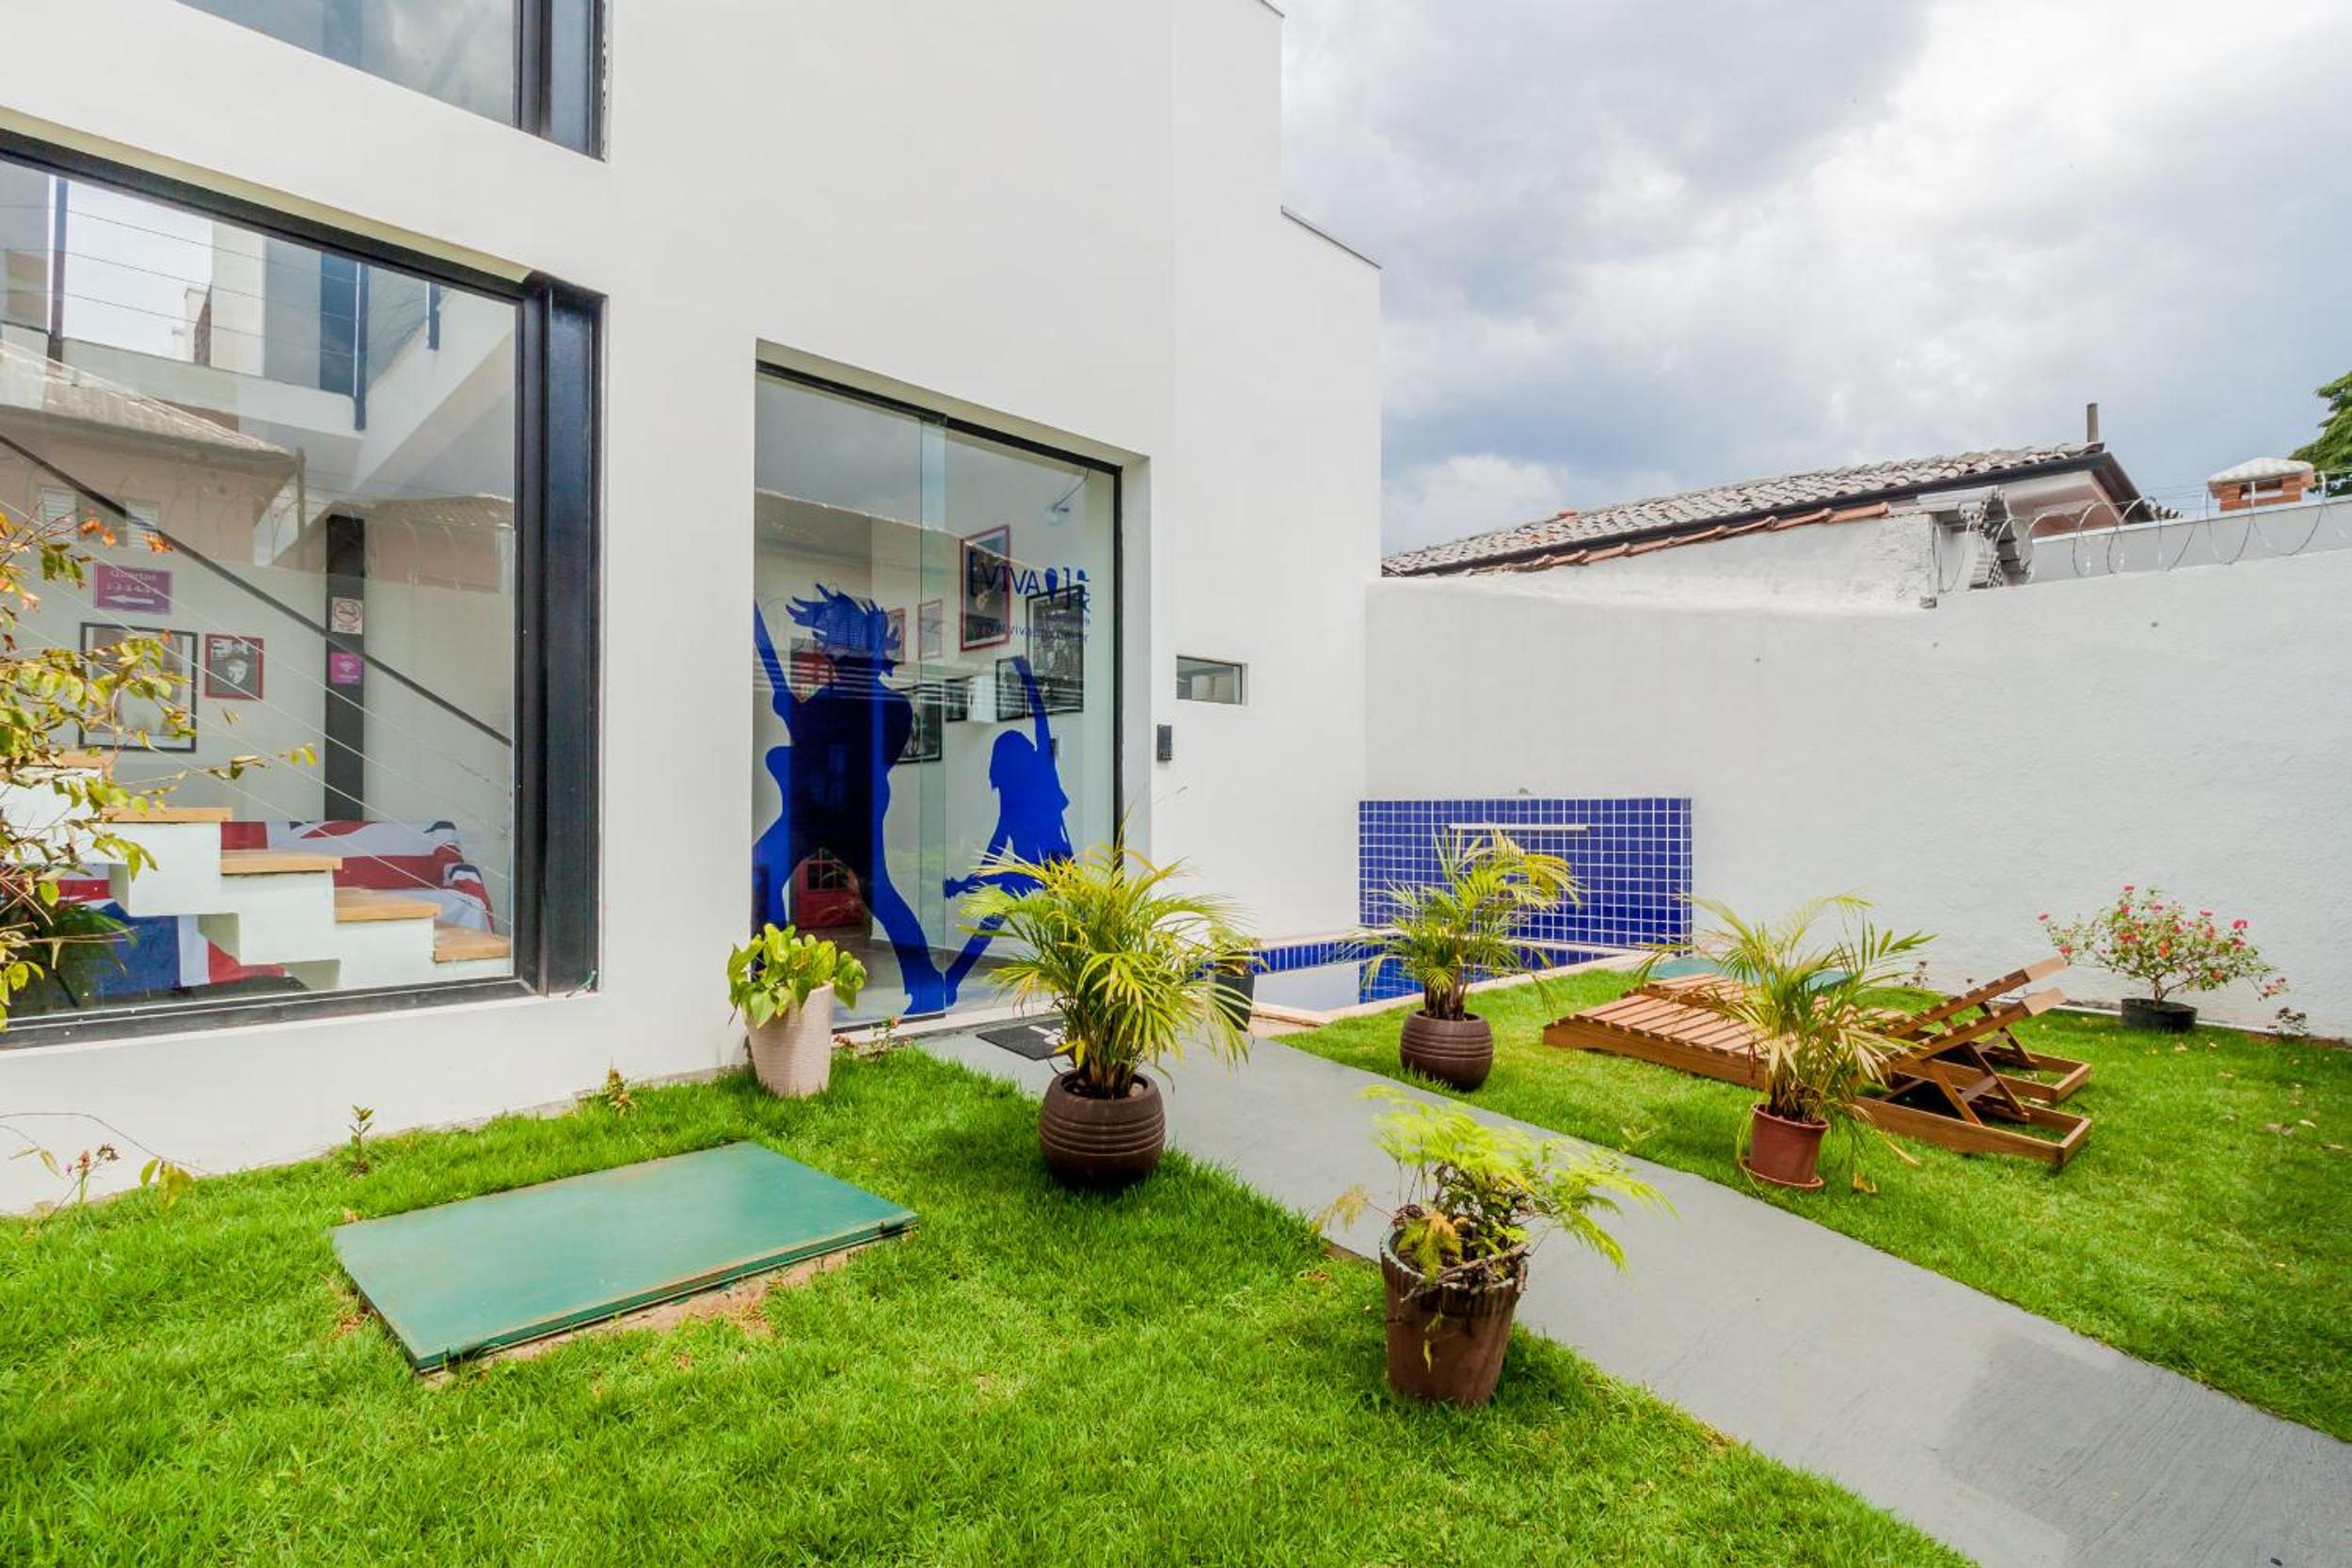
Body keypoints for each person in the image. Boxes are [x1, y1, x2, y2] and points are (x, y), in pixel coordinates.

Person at [753, 586, 946, 1012]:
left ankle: (927, 982)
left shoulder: (888, 706)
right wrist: (795, 712)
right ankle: (769, 979)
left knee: (877, 891)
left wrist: (795, 712)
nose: (824, 647)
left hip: (846, 813)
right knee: (762, 873)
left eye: (832, 638)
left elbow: (846, 749)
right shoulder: (837, 700)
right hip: (813, 811)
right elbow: (812, 739)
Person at [942, 654, 1073, 996]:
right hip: (1036, 864)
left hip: (1055, 862)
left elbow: (1041, 721)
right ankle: (953, 980)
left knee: (1067, 922)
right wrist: (972, 880)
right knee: (996, 918)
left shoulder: (1041, 775)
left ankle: (953, 979)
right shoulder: (1016, 797)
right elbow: (997, 846)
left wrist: (1028, 678)